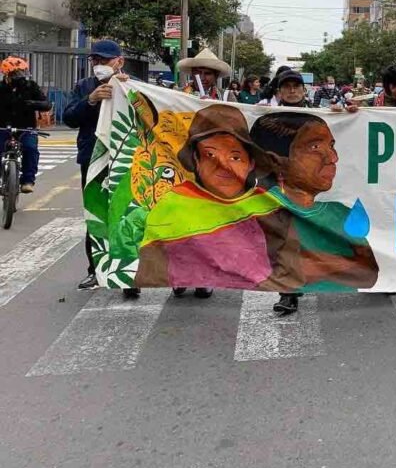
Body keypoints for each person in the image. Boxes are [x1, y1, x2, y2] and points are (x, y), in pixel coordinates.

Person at [135, 105, 280, 296]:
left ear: (251, 163)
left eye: (235, 157)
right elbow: (150, 261)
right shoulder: (174, 202)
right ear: (196, 160)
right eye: (210, 155)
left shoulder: (266, 205)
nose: (224, 166)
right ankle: (190, 277)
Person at [250, 113, 379, 315]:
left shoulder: (341, 213)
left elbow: (368, 273)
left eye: (331, 146)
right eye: (315, 147)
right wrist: (343, 263)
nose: (333, 158)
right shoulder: (261, 208)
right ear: (274, 161)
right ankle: (289, 294)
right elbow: (278, 269)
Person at [64, 40, 133, 294]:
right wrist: (91, 100)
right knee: (95, 215)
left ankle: (129, 275)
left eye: (104, 60)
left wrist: (129, 92)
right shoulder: (84, 86)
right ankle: (95, 270)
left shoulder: (132, 84)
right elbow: (69, 117)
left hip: (125, 159)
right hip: (92, 158)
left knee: (125, 215)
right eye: (95, 60)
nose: (99, 64)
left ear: (119, 61)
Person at [0, 56, 51, 193]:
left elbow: (46, 104)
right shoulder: (1, 88)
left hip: (26, 127)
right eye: (16, 73)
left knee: (30, 148)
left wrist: (34, 103)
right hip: (3, 127)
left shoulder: (31, 86)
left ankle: (28, 181)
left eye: (22, 72)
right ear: (7, 74)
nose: (20, 76)